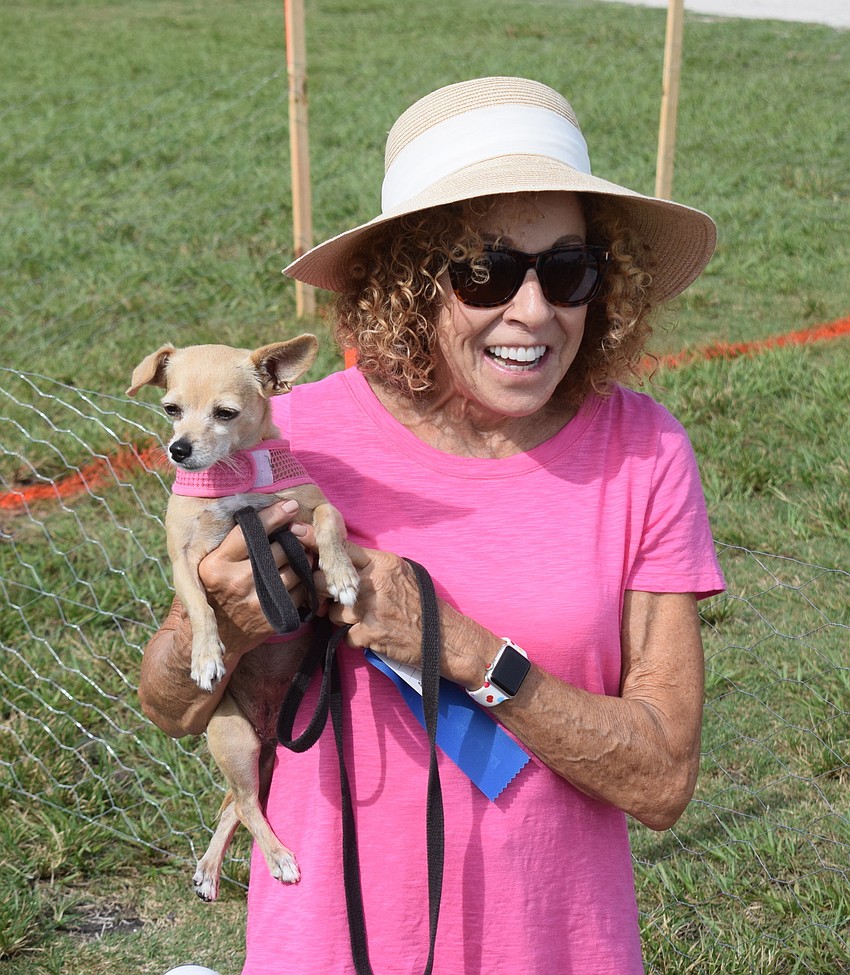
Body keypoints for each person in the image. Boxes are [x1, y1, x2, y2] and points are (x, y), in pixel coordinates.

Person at [144, 76, 725, 975]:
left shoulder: (643, 453)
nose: (533, 311)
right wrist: (220, 616)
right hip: (332, 951)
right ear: (411, 280)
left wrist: (466, 651)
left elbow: (662, 779)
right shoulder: (281, 434)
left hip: (557, 950)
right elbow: (172, 706)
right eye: (488, 270)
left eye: (567, 271)